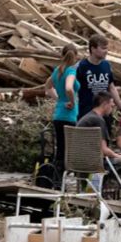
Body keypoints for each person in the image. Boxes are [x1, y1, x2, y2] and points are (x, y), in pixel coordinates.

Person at [40, 44, 79, 188]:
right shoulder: (71, 71)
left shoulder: (57, 71)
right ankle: (59, 182)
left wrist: (59, 99)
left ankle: (55, 180)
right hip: (69, 115)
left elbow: (47, 87)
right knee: (68, 149)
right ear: (75, 57)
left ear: (62, 55)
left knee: (60, 148)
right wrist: (71, 101)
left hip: (58, 114)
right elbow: (69, 87)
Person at [77, 91, 121, 177]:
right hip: (93, 162)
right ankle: (109, 186)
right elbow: (104, 150)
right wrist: (118, 156)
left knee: (118, 154)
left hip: (77, 160)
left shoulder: (86, 118)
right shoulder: (97, 120)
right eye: (111, 104)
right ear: (104, 104)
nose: (113, 106)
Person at [76, 34, 121, 125]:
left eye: (107, 48)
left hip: (105, 112)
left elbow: (111, 88)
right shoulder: (81, 66)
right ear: (93, 49)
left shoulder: (106, 65)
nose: (106, 51)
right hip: (86, 113)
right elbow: (73, 89)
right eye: (103, 48)